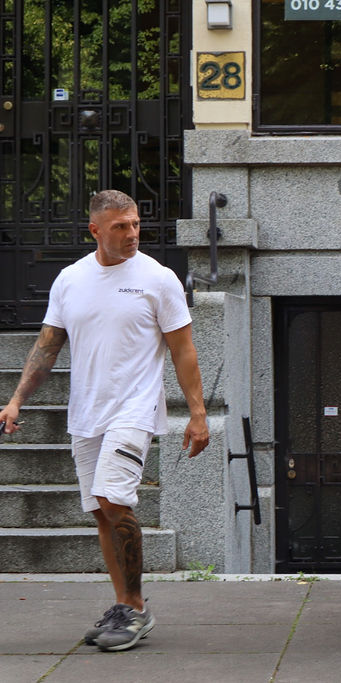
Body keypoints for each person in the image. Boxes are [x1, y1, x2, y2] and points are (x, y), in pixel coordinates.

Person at [0, 190, 209, 652]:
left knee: (113, 499)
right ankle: (121, 605)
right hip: (86, 413)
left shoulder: (158, 278)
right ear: (95, 229)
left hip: (133, 409)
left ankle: (135, 609)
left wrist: (197, 413)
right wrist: (16, 400)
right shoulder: (70, 279)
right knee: (99, 513)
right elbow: (48, 345)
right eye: (120, 227)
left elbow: (183, 349)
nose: (132, 234)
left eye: (135, 224)